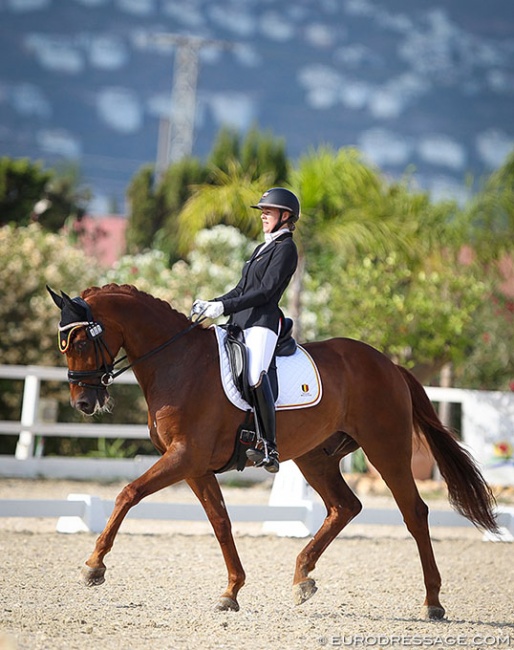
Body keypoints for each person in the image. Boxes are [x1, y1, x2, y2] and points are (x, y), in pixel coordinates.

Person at [192, 187, 300, 473]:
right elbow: (242, 289)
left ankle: (269, 446)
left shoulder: (286, 248)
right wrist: (214, 303)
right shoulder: (262, 248)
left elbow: (265, 292)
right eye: (263, 211)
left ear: (285, 216)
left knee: (254, 375)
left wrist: (224, 308)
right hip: (240, 320)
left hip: (263, 322)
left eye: (269, 212)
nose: (263, 216)